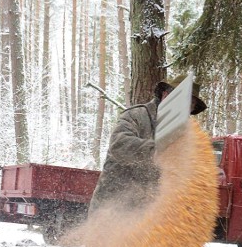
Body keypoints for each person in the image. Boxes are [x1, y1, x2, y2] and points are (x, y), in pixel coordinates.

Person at [87, 74, 207, 215]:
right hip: (112, 208)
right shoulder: (136, 115)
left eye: (189, 106)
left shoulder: (182, 134)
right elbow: (119, 145)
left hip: (148, 214)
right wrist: (159, 151)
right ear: (166, 95)